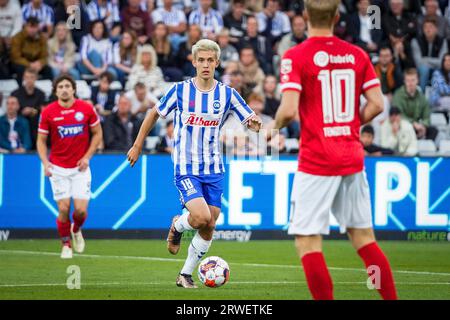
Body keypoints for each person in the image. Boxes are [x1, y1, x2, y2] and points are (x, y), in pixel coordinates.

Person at [270, 0, 397, 300]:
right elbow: (378, 104)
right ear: (338, 17)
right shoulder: (357, 54)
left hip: (316, 159)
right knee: (364, 239)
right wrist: (352, 125)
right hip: (351, 156)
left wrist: (272, 128)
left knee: (308, 242)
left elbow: (288, 111)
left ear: (304, 16)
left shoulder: (295, 56)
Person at [127, 39, 262, 288]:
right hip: (185, 166)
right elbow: (154, 113)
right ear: (194, 62)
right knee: (199, 217)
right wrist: (137, 145)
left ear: (217, 63)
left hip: (213, 168)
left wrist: (254, 124)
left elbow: (249, 118)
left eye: (211, 60)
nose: (206, 65)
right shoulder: (180, 90)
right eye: (201, 60)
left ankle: (185, 274)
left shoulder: (227, 94)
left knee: (210, 223)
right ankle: (177, 226)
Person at [37, 74, 103, 259]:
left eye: (67, 86)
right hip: (58, 168)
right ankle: (66, 243)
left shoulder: (86, 108)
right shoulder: (48, 112)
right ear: (56, 91)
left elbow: (97, 134)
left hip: (80, 168)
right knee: (64, 208)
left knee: (81, 211)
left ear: (73, 89)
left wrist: (87, 157)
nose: (64, 89)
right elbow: (41, 141)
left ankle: (76, 228)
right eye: (61, 87)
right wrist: (45, 162)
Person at [392, 68, 438, 141]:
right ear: (404, 81)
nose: (410, 83)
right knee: (404, 127)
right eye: (408, 80)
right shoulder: (398, 95)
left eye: (413, 80)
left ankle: (423, 145)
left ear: (417, 80)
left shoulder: (421, 97)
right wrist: (413, 124)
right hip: (404, 125)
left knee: (433, 130)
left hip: (418, 127)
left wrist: (423, 126)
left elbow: (427, 116)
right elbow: (398, 115)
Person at [11, 67, 46, 149]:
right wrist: (22, 112)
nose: (29, 80)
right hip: (19, 119)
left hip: (35, 120)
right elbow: (12, 109)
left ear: (36, 78)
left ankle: (36, 146)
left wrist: (32, 110)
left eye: (32, 77)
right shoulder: (16, 93)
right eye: (27, 77)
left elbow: (42, 108)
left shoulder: (41, 94)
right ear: (23, 78)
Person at [10, 16, 53, 82]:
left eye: (35, 27)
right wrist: (29, 65)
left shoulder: (42, 38)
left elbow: (45, 56)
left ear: (38, 27)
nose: (32, 29)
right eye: (30, 26)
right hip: (22, 63)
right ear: (25, 26)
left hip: (36, 63)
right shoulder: (17, 37)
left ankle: (47, 89)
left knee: (48, 70)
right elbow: (15, 56)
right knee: (20, 69)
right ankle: (21, 89)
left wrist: (40, 63)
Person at [411, 17, 448, 91]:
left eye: (430, 27)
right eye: (425, 27)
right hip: (421, 70)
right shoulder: (416, 41)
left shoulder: (442, 41)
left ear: (436, 29)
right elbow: (418, 63)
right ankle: (422, 95)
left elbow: (442, 62)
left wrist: (425, 59)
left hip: (437, 68)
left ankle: (436, 96)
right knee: (424, 69)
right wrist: (434, 62)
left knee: (437, 72)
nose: (428, 29)